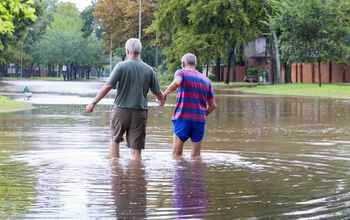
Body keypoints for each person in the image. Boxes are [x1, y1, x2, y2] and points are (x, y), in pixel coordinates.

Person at [86, 38, 164, 161]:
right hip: (140, 112)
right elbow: (158, 92)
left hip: (121, 111)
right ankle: (136, 177)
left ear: (127, 51)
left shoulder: (120, 66)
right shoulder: (149, 70)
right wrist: (161, 100)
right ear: (140, 51)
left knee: (114, 141)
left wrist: (93, 102)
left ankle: (115, 175)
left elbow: (108, 86)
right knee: (136, 151)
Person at [161, 53, 216, 157]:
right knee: (196, 156)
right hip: (199, 120)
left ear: (183, 64)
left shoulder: (181, 72)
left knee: (176, 155)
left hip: (182, 118)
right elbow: (213, 105)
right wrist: (202, 115)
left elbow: (176, 83)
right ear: (196, 64)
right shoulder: (206, 80)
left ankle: (179, 173)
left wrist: (164, 94)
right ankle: (196, 173)